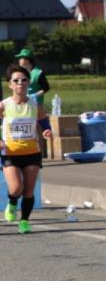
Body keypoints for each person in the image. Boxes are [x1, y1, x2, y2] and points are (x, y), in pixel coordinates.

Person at [2, 64, 53, 233]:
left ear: (28, 83)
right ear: (10, 84)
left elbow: (44, 120)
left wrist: (46, 130)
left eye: (24, 80)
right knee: (16, 188)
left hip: (32, 152)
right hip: (11, 152)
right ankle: (12, 202)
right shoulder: (4, 105)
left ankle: (24, 221)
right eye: (16, 80)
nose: (20, 83)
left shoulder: (34, 104)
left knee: (29, 190)